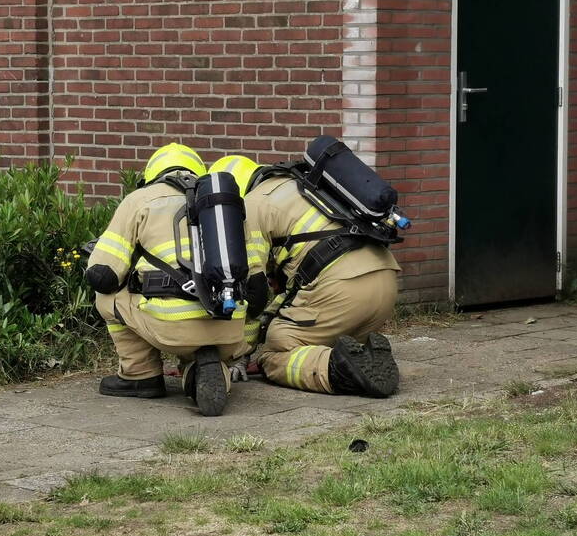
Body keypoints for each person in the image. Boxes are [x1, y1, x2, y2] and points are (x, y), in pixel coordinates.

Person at [85, 143, 266, 416]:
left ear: (152, 173)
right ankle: (206, 368)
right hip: (229, 327)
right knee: (208, 337)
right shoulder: (225, 205)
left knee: (108, 296)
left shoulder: (140, 200)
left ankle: (139, 374)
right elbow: (257, 288)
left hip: (171, 326)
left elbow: (105, 274)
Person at [208, 153, 401, 397]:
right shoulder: (305, 185)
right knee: (310, 334)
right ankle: (359, 355)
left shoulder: (252, 206)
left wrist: (238, 354)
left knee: (274, 352)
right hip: (386, 282)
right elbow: (292, 292)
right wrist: (271, 318)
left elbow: (252, 291)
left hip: (340, 291)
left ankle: (337, 371)